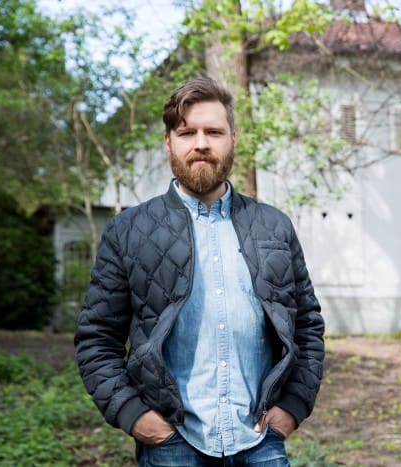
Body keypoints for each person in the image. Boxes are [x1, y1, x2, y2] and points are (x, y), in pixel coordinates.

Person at [74, 77, 325, 466]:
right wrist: (133, 415)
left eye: (214, 131)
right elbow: (96, 338)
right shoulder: (128, 232)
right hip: (171, 443)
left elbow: (307, 326)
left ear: (233, 139)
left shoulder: (274, 227)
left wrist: (292, 407)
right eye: (187, 132)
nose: (202, 143)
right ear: (168, 142)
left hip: (260, 440)